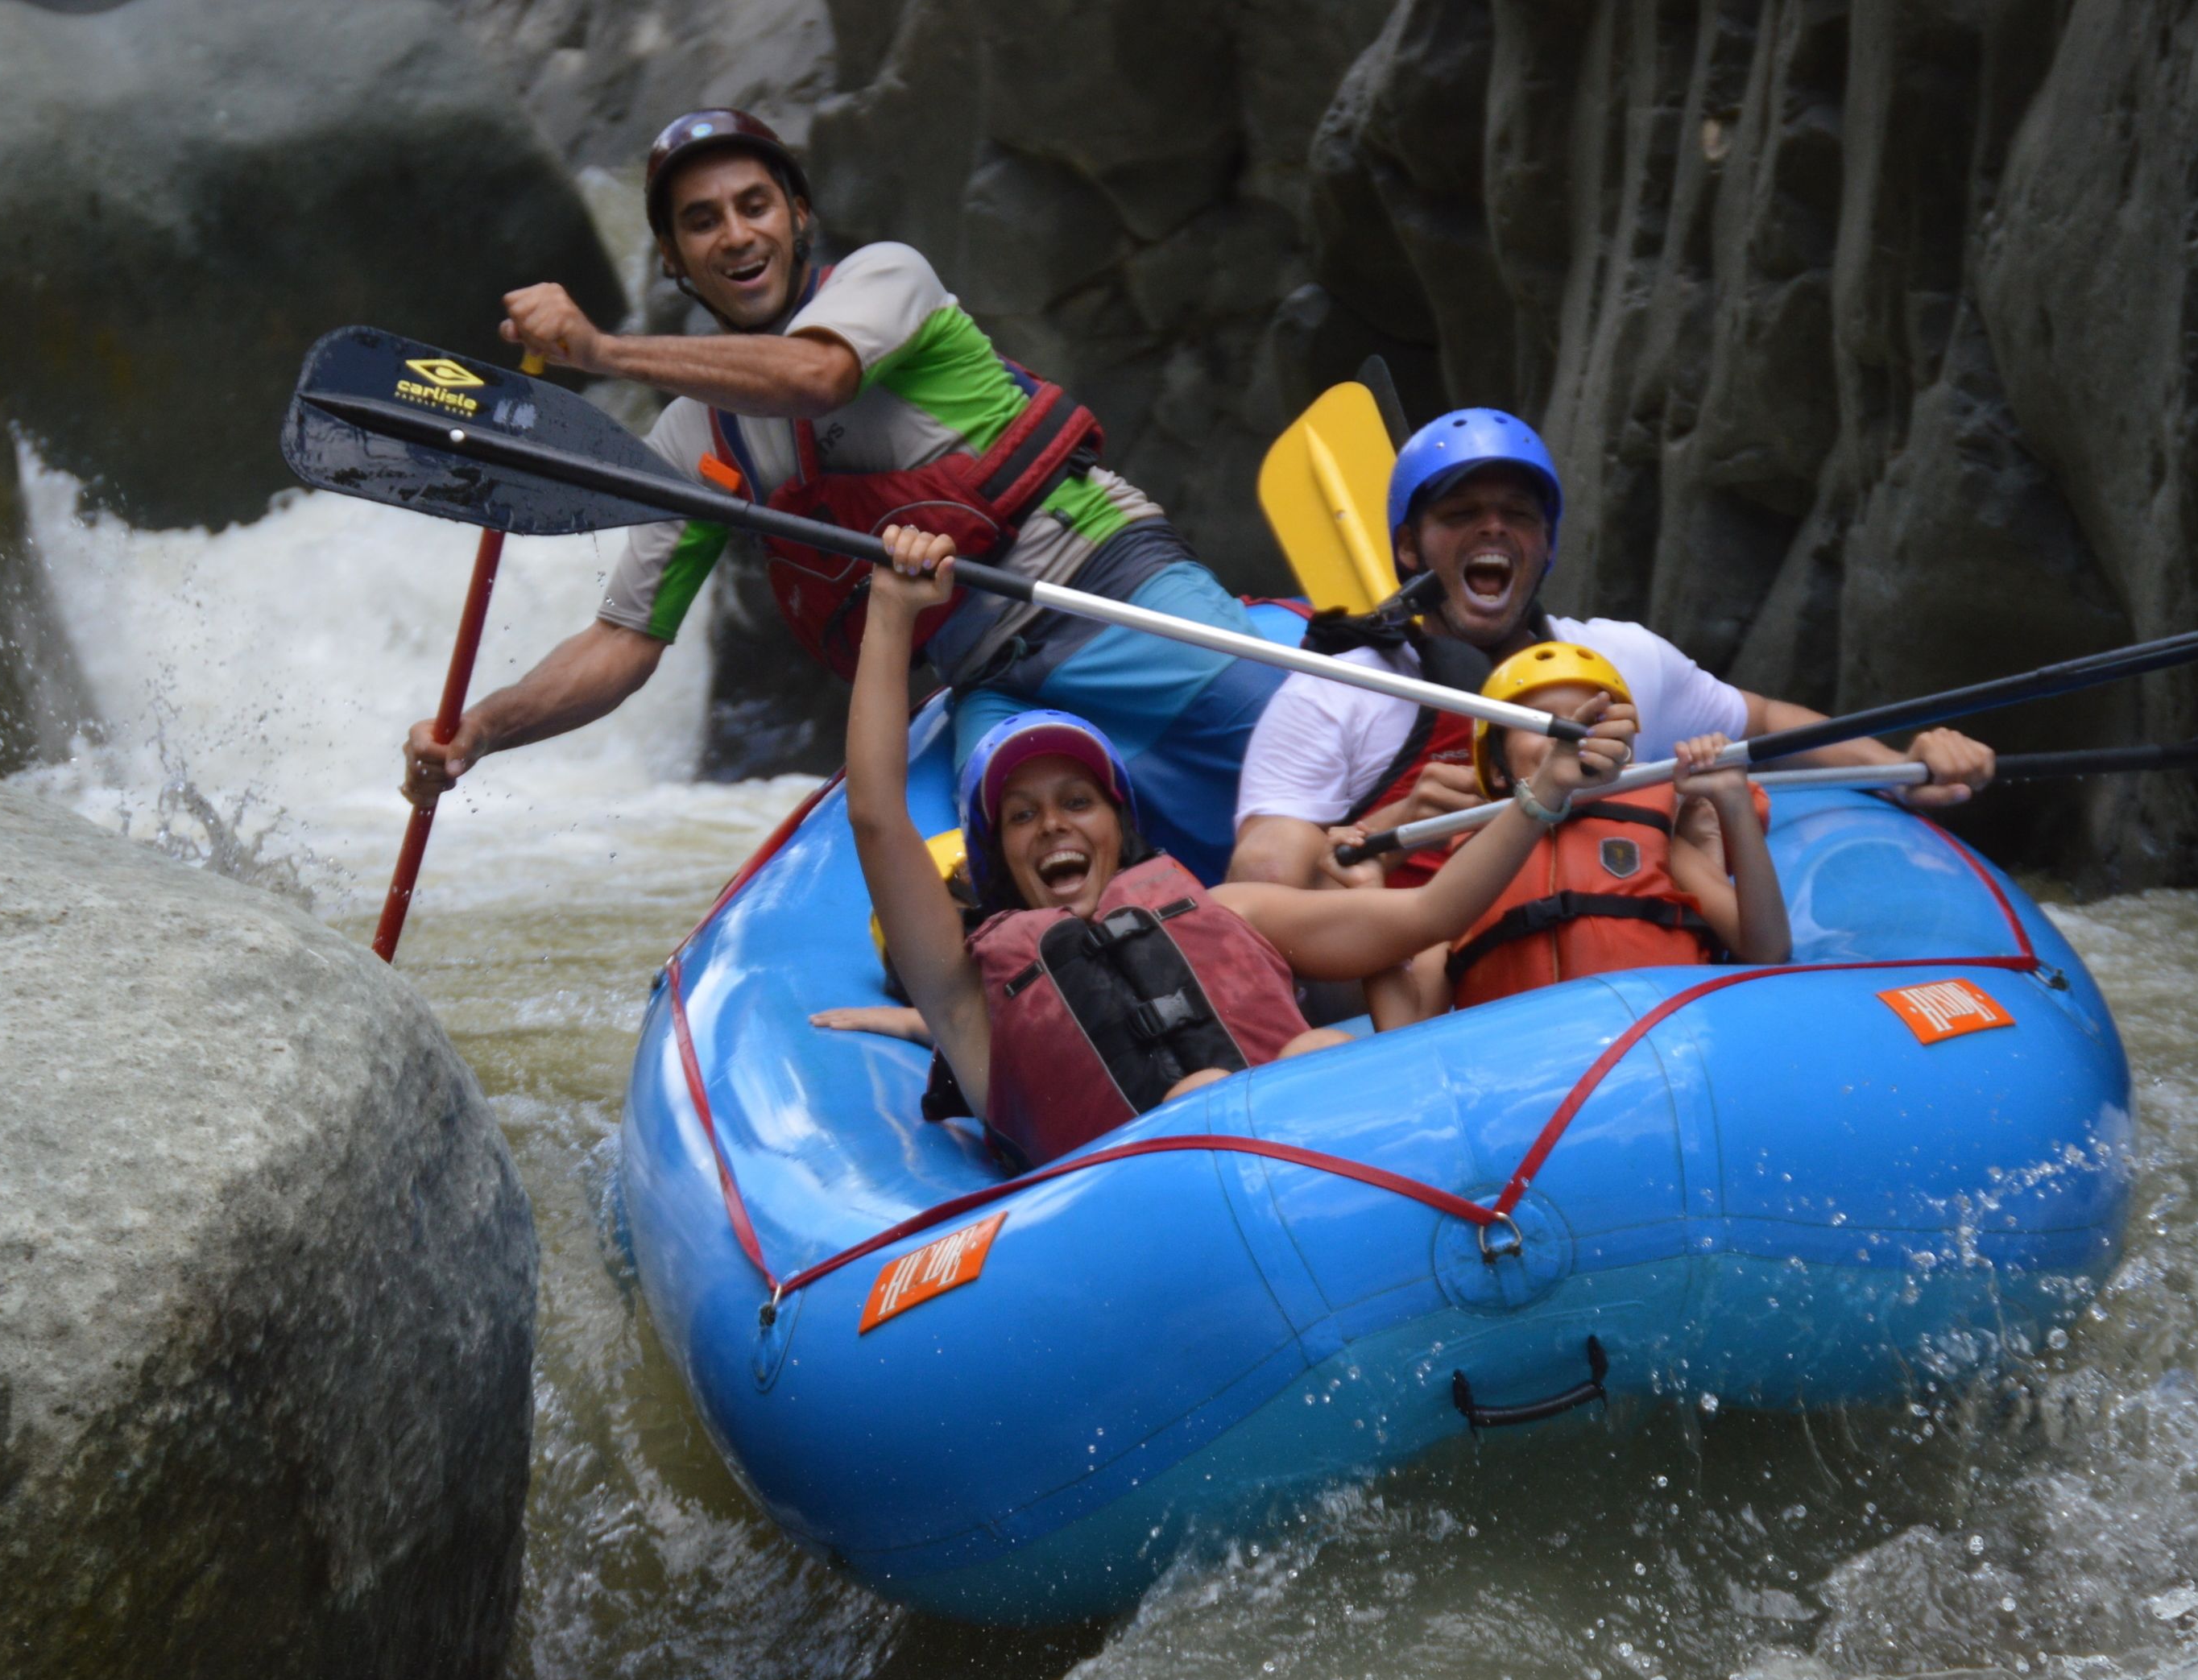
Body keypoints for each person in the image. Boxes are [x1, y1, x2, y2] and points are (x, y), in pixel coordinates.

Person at [402, 107, 1281, 873]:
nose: (736, 235)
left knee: (1291, 760)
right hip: (987, 681)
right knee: (1015, 896)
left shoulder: (886, 278)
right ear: (672, 257)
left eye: (755, 206)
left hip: (1107, 585)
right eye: (702, 222)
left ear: (798, 216)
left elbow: (817, 377)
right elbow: (624, 642)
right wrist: (482, 727)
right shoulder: (693, 440)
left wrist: (601, 352)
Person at [850, 528, 1633, 1167]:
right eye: (1022, 816)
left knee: (1317, 1048)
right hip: (1149, 1231)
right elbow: (878, 818)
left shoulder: (1232, 911)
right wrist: (892, 606)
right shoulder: (966, 998)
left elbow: (1431, 914)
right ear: (995, 855)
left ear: (1119, 827)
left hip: (1323, 1180)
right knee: (1203, 1097)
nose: (1053, 824)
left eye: (1078, 802)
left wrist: (1542, 793)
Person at [1227, 409, 1997, 890]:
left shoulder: (1621, 659)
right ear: (1408, 548)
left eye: (1517, 515)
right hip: (1429, 998)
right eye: (1461, 513)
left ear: (1547, 545)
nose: (1493, 528)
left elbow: (1765, 723)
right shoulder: (1340, 690)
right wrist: (1395, 824)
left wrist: (1902, 769)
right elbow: (1262, 877)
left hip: (1607, 986)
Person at [1352, 643, 1790, 1027]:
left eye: (1590, 721)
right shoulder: (1472, 876)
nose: (1572, 734)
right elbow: (1403, 1024)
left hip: (1651, 1046)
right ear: (1498, 769)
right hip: (1531, 1075)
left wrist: (1734, 802)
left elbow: (1766, 950)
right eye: (1540, 722)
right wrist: (1366, 889)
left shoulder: (1653, 836)